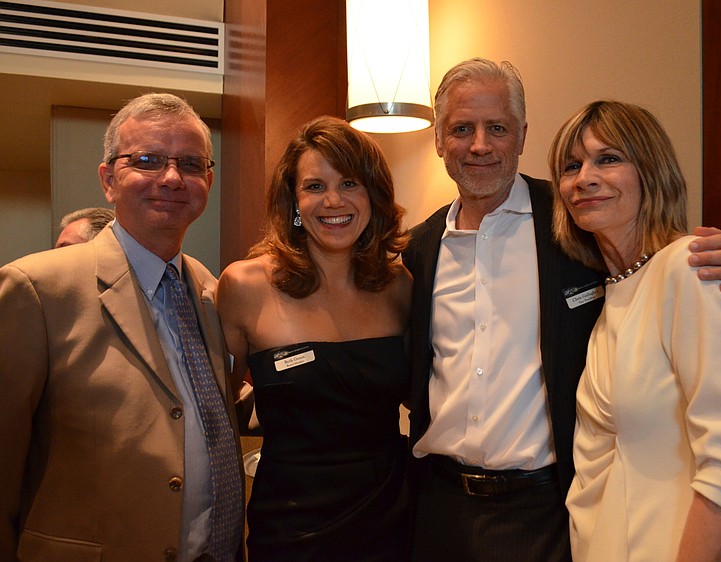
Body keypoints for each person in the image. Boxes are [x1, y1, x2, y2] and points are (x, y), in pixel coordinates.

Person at [402, 58, 721, 562]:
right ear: (439, 140)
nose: (480, 145)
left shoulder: (568, 223)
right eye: (462, 129)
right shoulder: (419, 249)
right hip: (442, 507)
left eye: (497, 128)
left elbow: (692, 301)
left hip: (545, 511)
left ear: (521, 135)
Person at [0, 93, 244, 562]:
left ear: (207, 181)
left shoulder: (214, 292)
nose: (172, 178)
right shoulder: (36, 289)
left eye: (190, 164)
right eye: (148, 160)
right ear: (108, 179)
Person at [550, 100, 721, 560]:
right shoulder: (613, 291)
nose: (584, 177)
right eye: (572, 165)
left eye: (608, 158)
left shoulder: (691, 269)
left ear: (651, 170)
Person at [215, 116, 412, 561]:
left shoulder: (399, 287)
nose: (334, 201)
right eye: (315, 186)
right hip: (290, 525)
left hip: (390, 517)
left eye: (350, 183)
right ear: (294, 202)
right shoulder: (245, 287)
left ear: (373, 196)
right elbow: (218, 412)